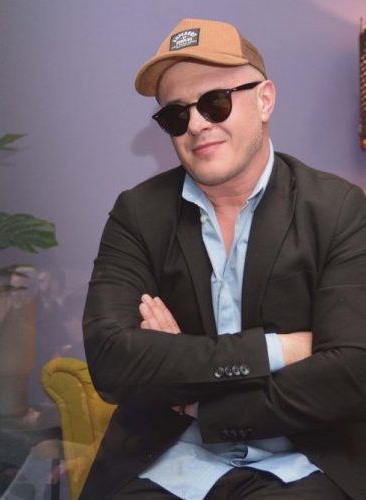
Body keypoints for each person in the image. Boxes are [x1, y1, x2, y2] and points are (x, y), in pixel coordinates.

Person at [82, 18, 366, 500]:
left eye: (216, 102)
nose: (196, 124)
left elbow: (352, 373)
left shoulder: (337, 209)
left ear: (265, 100)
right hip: (169, 461)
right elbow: (111, 362)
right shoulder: (138, 213)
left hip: (302, 463)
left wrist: (198, 400)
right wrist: (279, 350)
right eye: (176, 115)